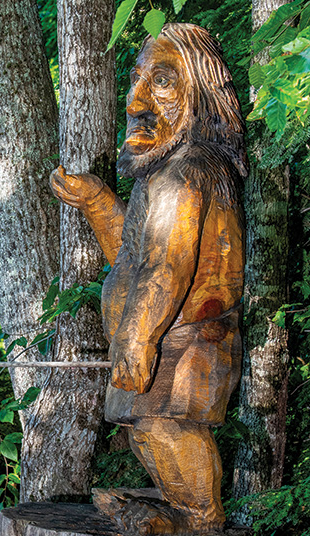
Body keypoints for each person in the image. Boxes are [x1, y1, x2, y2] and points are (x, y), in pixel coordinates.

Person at [50, 24, 246, 534]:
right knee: (148, 430)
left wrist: (138, 337)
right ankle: (179, 513)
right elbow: (135, 260)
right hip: (164, 339)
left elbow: (170, 265)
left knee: (168, 427)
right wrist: (96, 201)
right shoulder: (162, 175)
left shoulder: (186, 172)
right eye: (137, 79)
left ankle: (200, 520)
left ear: (200, 93)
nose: (136, 101)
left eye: (160, 81)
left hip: (185, 342)